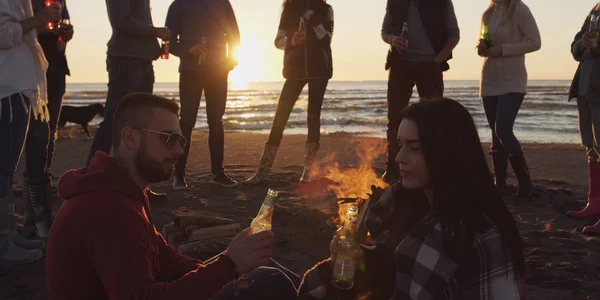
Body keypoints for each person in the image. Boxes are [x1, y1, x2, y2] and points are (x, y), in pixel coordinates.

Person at [46, 93, 298, 299]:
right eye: (169, 139)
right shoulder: (108, 208)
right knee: (269, 281)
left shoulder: (126, 192)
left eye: (181, 140)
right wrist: (229, 266)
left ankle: (316, 284)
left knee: (262, 268)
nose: (178, 150)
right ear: (131, 137)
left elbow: (166, 260)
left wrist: (232, 266)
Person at [298, 99, 527, 299]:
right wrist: (361, 255)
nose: (399, 157)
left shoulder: (472, 233)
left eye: (414, 147)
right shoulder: (414, 208)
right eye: (400, 146)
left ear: (447, 152)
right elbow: (398, 270)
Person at [86, 0, 172, 200]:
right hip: (126, 62)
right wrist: (155, 32)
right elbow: (121, 21)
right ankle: (90, 182)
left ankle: (137, 186)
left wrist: (152, 43)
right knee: (114, 122)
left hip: (142, 62)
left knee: (140, 126)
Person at [246, 0, 334, 184]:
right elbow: (278, 41)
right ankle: (262, 171)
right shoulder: (289, 9)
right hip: (294, 70)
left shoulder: (325, 10)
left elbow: (326, 40)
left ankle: (308, 172)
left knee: (312, 117)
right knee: (280, 116)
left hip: (319, 70)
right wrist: (291, 41)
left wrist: (314, 20)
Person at [0, 0, 59, 263]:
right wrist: (37, 20)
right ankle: (3, 243)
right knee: (4, 167)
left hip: (19, 85)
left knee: (7, 167)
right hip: (8, 86)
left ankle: (9, 233)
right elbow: (3, 33)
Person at [380, 0, 460, 184]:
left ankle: (434, 167)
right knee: (395, 119)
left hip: (429, 65)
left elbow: (454, 35)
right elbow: (384, 32)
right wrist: (393, 40)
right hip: (400, 64)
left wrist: (436, 61)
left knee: (434, 120)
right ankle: (392, 169)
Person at [165, 0, 241, 189]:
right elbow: (169, 42)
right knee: (186, 121)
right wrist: (187, 50)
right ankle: (179, 175)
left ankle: (218, 173)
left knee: (216, 121)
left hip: (218, 72)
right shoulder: (178, 5)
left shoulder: (222, 3)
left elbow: (234, 34)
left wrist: (231, 61)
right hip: (190, 72)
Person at [19, 0, 74, 240]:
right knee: (36, 139)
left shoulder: (60, 1)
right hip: (30, 69)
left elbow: (61, 31)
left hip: (56, 68)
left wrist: (65, 35)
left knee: (48, 138)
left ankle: (34, 216)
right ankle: (40, 217)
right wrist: (42, 27)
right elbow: (16, 31)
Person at [477, 0, 540, 198]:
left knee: (503, 129)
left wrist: (503, 49)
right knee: (495, 135)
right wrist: (482, 48)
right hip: (489, 80)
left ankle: (525, 183)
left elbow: (535, 42)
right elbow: (485, 43)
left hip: (512, 80)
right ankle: (500, 183)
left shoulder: (520, 10)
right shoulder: (488, 14)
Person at [566, 2, 600, 234]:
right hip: (585, 88)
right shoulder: (595, 10)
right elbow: (575, 47)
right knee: (591, 147)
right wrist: (582, 43)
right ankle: (594, 203)